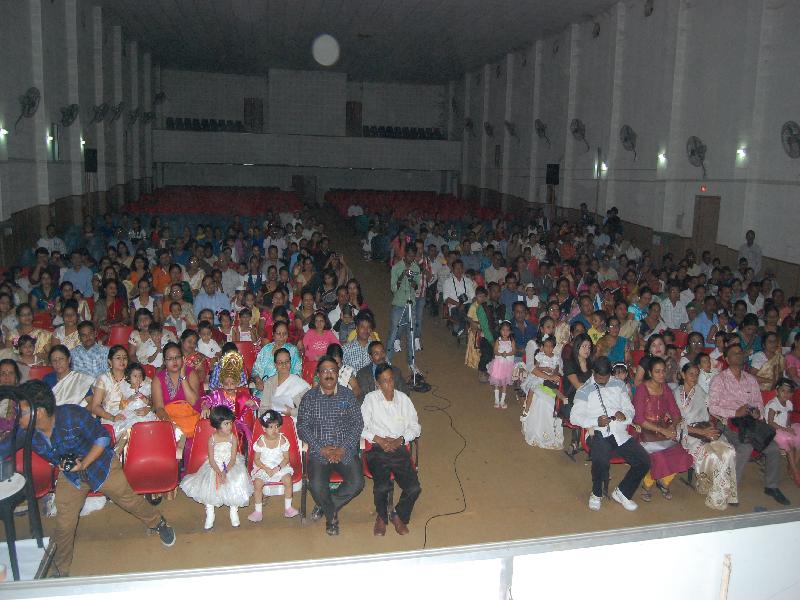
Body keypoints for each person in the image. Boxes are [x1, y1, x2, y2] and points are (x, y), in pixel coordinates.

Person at [16, 380, 175, 576]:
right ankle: (60, 570)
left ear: (38, 412)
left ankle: (157, 522)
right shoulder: (25, 432)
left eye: (21, 412)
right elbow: (5, 447)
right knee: (64, 523)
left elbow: (103, 437)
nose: (17, 416)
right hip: (71, 475)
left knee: (129, 500)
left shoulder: (72, 415)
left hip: (101, 465)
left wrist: (84, 463)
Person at [708, 344, 789, 506]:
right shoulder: (719, 379)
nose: (739, 355)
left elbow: (759, 403)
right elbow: (713, 407)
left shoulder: (751, 379)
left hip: (750, 422)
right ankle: (731, 490)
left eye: (740, 352)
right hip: (729, 422)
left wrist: (758, 413)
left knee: (773, 447)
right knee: (745, 447)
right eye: (734, 353)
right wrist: (735, 412)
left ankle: (771, 486)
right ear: (726, 359)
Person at [569, 357, 650, 512]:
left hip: (619, 432)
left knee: (644, 461)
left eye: (606, 378)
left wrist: (624, 414)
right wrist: (595, 421)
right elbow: (574, 417)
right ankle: (596, 493)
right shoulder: (584, 390)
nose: (604, 382)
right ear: (593, 372)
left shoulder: (619, 385)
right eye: (600, 379)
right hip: (597, 433)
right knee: (601, 458)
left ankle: (622, 493)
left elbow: (630, 409)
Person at [296, 356, 364, 535]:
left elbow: (358, 424)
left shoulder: (347, 395)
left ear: (337, 373)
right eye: (324, 371)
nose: (328, 374)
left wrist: (343, 448)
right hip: (319, 452)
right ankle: (331, 517)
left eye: (332, 370)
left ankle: (325, 506)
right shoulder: (309, 398)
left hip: (345, 450)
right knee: (317, 485)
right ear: (318, 375)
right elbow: (302, 427)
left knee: (357, 483)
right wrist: (320, 448)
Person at [361, 363, 422, 536]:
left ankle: (397, 514)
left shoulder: (404, 400)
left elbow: (415, 427)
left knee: (414, 488)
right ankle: (381, 516)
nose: (389, 385)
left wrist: (401, 439)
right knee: (382, 487)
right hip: (377, 448)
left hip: (398, 447)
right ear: (377, 384)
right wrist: (378, 439)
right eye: (384, 381)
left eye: (391, 379)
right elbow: (360, 426)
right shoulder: (370, 399)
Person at [675, 363, 738, 509]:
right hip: (688, 434)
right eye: (691, 374)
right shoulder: (675, 394)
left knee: (729, 451)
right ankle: (712, 490)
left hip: (706, 430)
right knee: (712, 456)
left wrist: (710, 426)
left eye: (697, 375)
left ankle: (725, 491)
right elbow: (677, 423)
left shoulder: (700, 391)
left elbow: (709, 411)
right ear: (683, 375)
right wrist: (702, 432)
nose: (694, 377)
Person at [180, 405, 253, 530]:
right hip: (215, 466)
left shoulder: (233, 438)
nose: (230, 426)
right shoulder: (212, 439)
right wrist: (219, 472)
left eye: (230, 423)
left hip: (230, 465)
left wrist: (226, 471)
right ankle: (210, 512)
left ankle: (233, 510)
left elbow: (233, 458)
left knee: (236, 480)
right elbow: (211, 459)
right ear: (217, 424)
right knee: (209, 486)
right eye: (226, 424)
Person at [633, 357, 694, 501]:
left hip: (662, 430)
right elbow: (639, 419)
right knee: (659, 457)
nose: (661, 375)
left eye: (663, 371)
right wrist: (663, 430)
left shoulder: (665, 388)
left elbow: (675, 412)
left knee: (682, 455)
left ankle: (663, 482)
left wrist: (672, 426)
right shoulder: (642, 389)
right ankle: (647, 485)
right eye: (657, 371)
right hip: (644, 431)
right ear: (650, 373)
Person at [248, 409, 300, 523]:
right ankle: (258, 511)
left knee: (288, 480)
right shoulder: (261, 442)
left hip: (280, 466)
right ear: (264, 428)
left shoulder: (282, 440)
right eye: (271, 427)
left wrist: (277, 468)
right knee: (257, 483)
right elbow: (256, 460)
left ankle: (288, 508)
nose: (275, 430)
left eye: (277, 426)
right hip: (263, 467)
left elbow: (286, 458)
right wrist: (266, 469)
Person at [386, 244, 420, 369]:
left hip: (411, 304)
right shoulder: (396, 267)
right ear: (405, 254)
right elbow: (393, 288)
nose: (411, 258)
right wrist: (402, 275)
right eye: (409, 255)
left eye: (413, 256)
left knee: (411, 332)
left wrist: (412, 280)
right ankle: (387, 360)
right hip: (399, 304)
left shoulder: (416, 268)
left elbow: (417, 287)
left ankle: (411, 362)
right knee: (394, 331)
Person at [765, 378, 800, 486]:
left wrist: (789, 427)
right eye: (783, 390)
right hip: (773, 429)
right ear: (777, 391)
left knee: (798, 435)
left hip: (784, 427)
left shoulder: (789, 403)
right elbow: (770, 422)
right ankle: (795, 472)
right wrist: (785, 429)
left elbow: (788, 420)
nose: (786, 394)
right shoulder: (773, 404)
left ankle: (792, 466)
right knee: (787, 440)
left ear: (792, 394)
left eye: (789, 392)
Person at [258, 347, 311, 416]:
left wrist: (292, 412)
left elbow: (309, 407)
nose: (284, 365)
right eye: (280, 362)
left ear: (290, 363)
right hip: (273, 420)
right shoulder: (269, 383)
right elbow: (264, 408)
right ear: (275, 365)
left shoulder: (298, 383)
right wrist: (271, 418)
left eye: (287, 361)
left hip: (296, 419)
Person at [487, 321, 516, 409]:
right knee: (496, 382)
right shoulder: (498, 340)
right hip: (498, 364)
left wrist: (507, 354)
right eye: (503, 330)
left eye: (507, 330)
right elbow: (495, 351)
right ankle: (496, 400)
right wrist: (501, 354)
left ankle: (502, 401)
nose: (505, 332)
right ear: (500, 330)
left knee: (504, 383)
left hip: (507, 365)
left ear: (510, 331)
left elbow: (514, 351)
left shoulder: (511, 341)